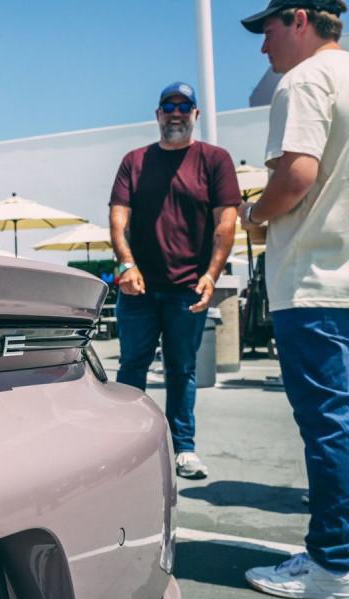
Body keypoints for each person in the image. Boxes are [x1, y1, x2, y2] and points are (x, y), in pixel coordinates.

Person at [237, 0, 349, 599]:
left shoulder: (304, 80)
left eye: (268, 29)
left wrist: (256, 212)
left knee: (330, 423)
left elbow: (296, 176)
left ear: (299, 18)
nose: (263, 48)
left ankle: (333, 566)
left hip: (319, 279)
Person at [108, 82, 240, 480]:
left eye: (185, 106)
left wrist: (212, 274)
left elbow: (227, 223)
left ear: (196, 114)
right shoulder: (135, 161)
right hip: (139, 289)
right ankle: (124, 446)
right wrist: (126, 264)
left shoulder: (215, 160)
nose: (176, 113)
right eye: (169, 106)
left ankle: (184, 447)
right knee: (133, 366)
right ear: (158, 114)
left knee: (182, 368)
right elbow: (118, 219)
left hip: (188, 288)